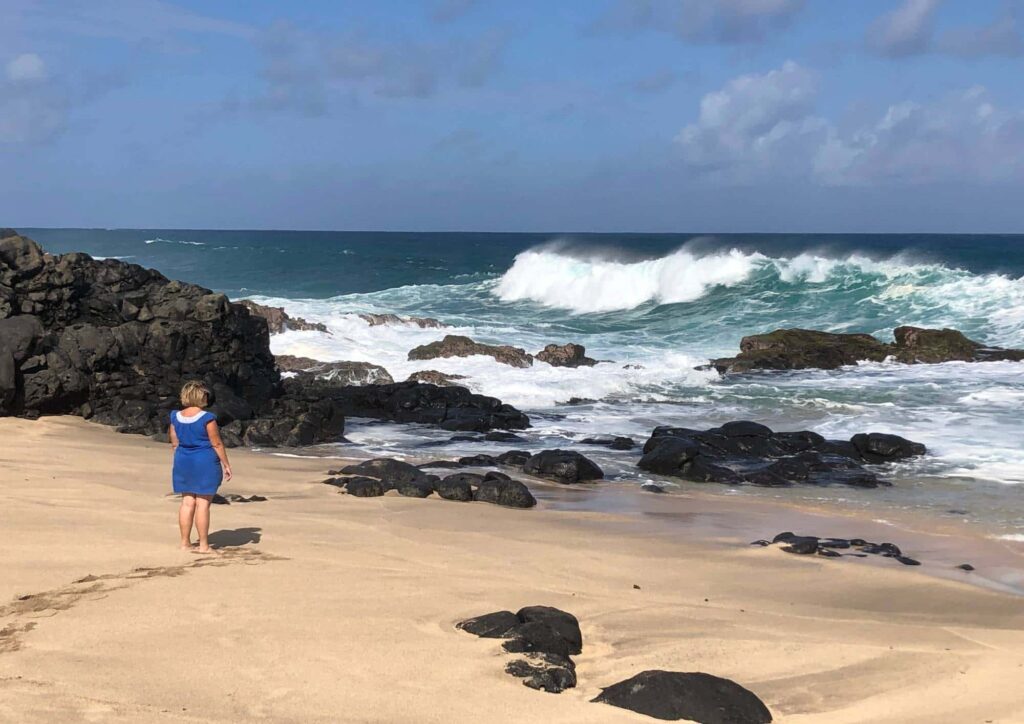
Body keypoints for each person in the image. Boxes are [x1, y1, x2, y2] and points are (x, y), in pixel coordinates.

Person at [169, 381, 233, 553]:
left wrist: (181, 460)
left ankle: (185, 543)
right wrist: (226, 464)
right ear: (200, 396)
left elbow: (175, 443)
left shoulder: (175, 416)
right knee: (203, 504)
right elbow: (217, 443)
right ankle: (204, 545)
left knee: (187, 502)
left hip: (183, 460)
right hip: (204, 461)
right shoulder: (207, 418)